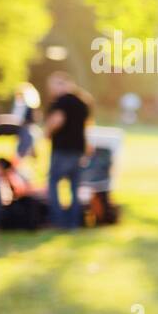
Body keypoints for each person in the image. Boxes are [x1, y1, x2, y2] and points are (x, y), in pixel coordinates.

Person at [43, 72, 91, 230]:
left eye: (54, 85)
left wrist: (47, 132)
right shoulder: (83, 102)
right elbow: (87, 127)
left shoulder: (62, 101)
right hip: (78, 150)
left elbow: (57, 120)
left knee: (53, 183)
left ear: (63, 84)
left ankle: (57, 220)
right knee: (74, 187)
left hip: (62, 149)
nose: (51, 90)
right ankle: (73, 222)